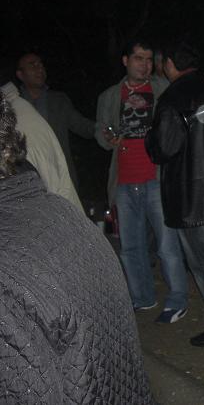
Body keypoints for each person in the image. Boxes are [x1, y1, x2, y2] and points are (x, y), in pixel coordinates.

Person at [0, 94, 153, 403]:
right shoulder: (64, 214)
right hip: (47, 208)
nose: (39, 71)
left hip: (53, 211)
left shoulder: (9, 270)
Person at [145, 40, 204, 346]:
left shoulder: (173, 97)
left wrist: (149, 137)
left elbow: (164, 147)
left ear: (169, 64)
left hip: (190, 196)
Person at [95, 39, 188, 324]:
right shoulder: (110, 96)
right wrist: (108, 138)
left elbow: (180, 126)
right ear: (125, 61)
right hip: (124, 181)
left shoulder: (163, 89)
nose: (145, 65)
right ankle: (142, 297)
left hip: (156, 178)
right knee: (130, 247)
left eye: (149, 59)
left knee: (167, 245)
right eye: (138, 58)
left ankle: (177, 299)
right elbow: (101, 132)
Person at [0, 78, 82, 211]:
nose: (39, 70)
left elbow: (51, 184)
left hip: (53, 212)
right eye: (33, 67)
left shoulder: (19, 116)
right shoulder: (16, 109)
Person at [16, 52, 96, 188]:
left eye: (41, 64)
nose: (39, 68)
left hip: (59, 175)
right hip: (26, 178)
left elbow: (81, 125)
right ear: (20, 75)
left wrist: (103, 129)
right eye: (32, 65)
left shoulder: (58, 100)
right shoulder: (12, 105)